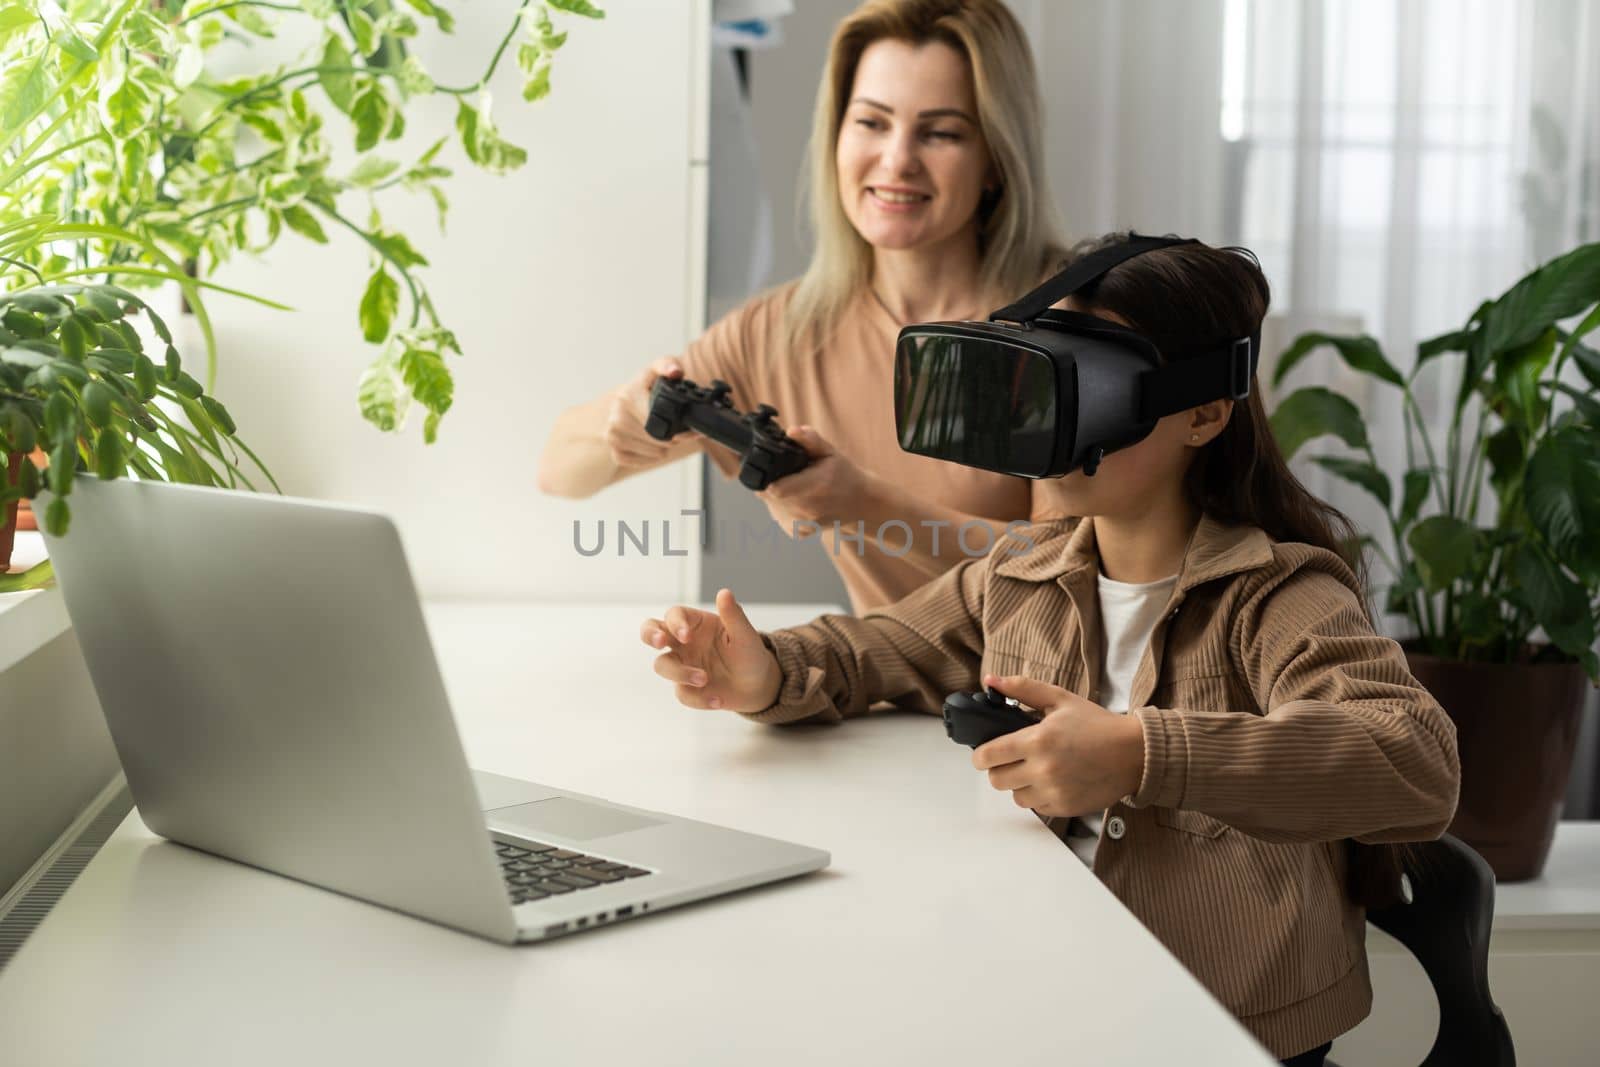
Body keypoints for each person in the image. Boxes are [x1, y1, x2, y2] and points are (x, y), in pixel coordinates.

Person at [636, 235, 1461, 1064]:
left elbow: (1416, 758)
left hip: (1224, 1028)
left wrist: (1143, 755)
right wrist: (764, 668)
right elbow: (878, 650)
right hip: (1053, 993)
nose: (1052, 426)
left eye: (1090, 386)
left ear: (1204, 413)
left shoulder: (1278, 596)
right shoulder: (1024, 569)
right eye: (1043, 376)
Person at [538, 0, 1067, 613]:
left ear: (997, 160)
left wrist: (864, 503)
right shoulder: (783, 333)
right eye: (871, 122)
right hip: (883, 702)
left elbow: (1073, 576)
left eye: (941, 132)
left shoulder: (1071, 326)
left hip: (1054, 704)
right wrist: (625, 416)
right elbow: (557, 470)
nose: (896, 161)